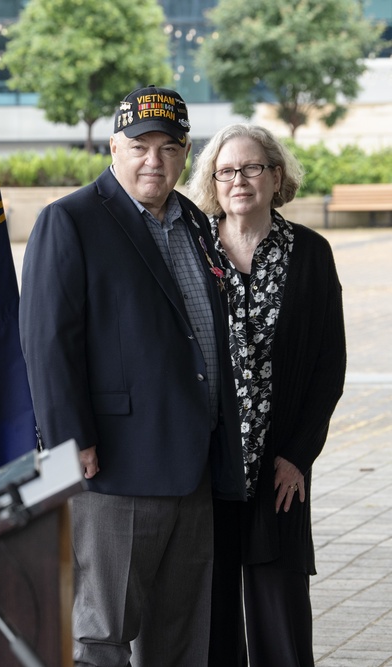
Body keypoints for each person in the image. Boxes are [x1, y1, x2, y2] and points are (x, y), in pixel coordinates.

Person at [19, 85, 245, 666]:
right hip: (115, 466)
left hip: (194, 460)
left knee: (181, 632)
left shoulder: (194, 221)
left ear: (184, 154)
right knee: (102, 629)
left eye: (169, 148)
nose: (154, 161)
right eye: (141, 146)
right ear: (114, 148)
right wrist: (73, 441)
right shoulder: (69, 221)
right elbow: (48, 342)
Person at [187, 124, 346, 667]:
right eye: (226, 170)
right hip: (206, 466)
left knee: (281, 619)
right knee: (212, 619)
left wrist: (298, 456)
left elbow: (329, 366)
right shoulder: (190, 247)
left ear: (276, 176)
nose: (239, 180)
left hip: (280, 466)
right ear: (213, 180)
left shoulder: (311, 254)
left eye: (252, 167)